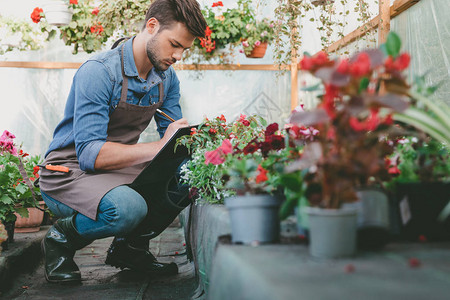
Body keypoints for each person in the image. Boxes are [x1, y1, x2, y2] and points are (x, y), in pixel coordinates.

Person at [39, 0, 207, 283]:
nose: (178, 55)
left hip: (115, 172)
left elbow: (175, 144)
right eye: (174, 44)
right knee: (127, 208)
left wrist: (208, 148)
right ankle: (61, 238)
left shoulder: (166, 78)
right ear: (152, 26)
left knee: (188, 173)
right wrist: (159, 146)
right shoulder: (99, 71)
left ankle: (130, 249)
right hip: (68, 174)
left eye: (184, 49)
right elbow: (90, 155)